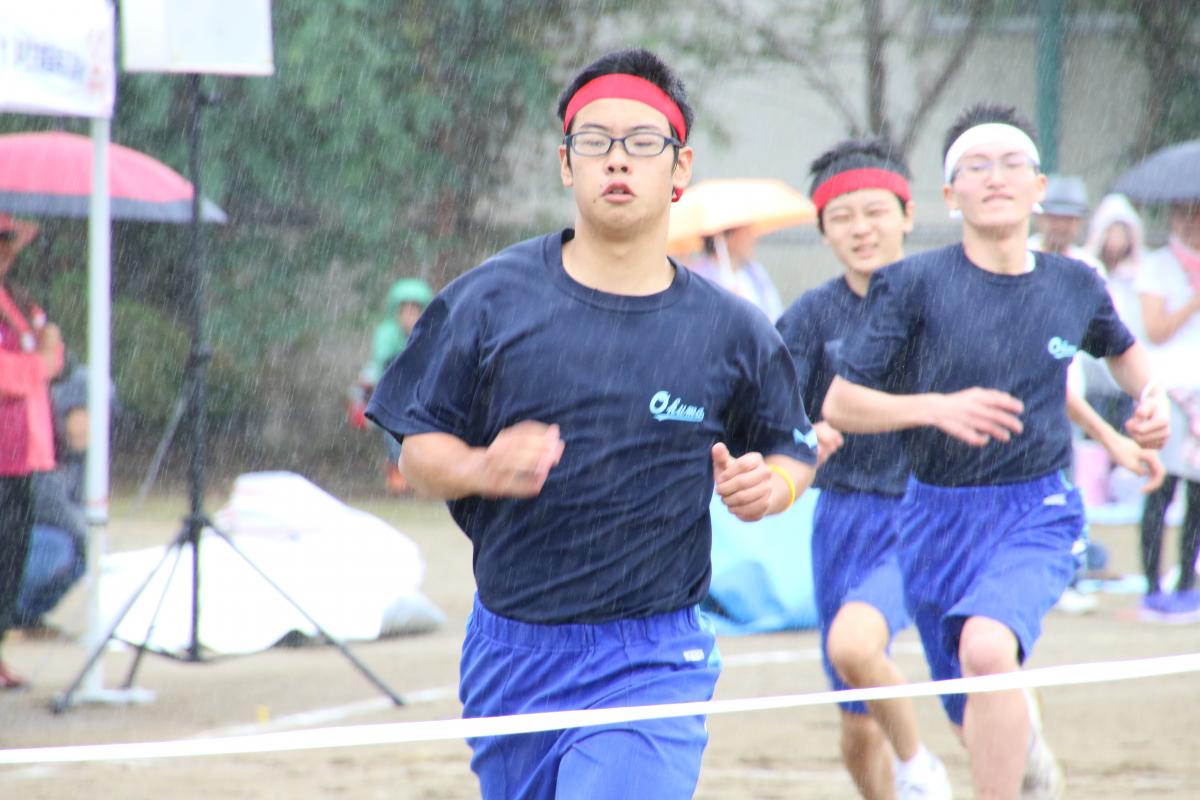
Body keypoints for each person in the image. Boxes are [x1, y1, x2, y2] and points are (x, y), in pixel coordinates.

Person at [365, 48, 817, 800]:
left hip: (653, 650)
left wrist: (772, 488)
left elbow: (791, 446)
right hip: (512, 647)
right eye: (594, 141)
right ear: (565, 164)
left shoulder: (732, 330)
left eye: (642, 142)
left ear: (679, 168)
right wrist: (482, 468)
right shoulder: (487, 302)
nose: (618, 159)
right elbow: (415, 450)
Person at [822, 104, 1169, 800]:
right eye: (974, 167)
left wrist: (1149, 405)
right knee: (970, 699)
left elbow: (1127, 357)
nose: (995, 178)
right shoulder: (913, 285)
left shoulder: (1073, 285)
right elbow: (840, 403)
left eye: (1012, 164)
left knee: (987, 648)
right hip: (933, 519)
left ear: (1039, 188)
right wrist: (934, 408)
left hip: (1036, 507)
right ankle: (1027, 756)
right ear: (950, 197)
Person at [776, 137, 952, 800]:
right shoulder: (810, 316)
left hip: (929, 511)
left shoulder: (946, 295)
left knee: (861, 649)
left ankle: (920, 769)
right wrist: (802, 435)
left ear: (907, 215)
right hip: (844, 516)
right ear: (822, 231)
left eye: (875, 211)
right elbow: (772, 411)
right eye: (842, 216)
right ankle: (890, 784)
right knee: (854, 709)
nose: (861, 228)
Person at [0, 214, 63, 689]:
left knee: (12, 555)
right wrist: (36, 364)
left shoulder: (17, 300)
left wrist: (42, 358)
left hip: (21, 455)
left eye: (9, 241)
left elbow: (49, 352)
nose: (7, 250)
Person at [1135, 200, 1200, 620]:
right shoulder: (1157, 266)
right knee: (1159, 491)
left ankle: (1186, 584)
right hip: (1168, 393)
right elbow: (1155, 331)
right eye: (1186, 214)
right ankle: (1152, 585)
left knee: (1197, 497)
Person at [15, 363, 90, 631]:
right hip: (23, 528)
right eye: (84, 413)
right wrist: (84, 533)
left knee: (81, 558)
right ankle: (10, 612)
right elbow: (47, 504)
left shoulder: (85, 458)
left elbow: (80, 504)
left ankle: (25, 619)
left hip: (49, 529)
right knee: (56, 547)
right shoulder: (44, 439)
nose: (89, 426)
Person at [348, 277, 433, 493]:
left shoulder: (432, 332)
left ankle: (424, 471)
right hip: (393, 387)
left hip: (423, 388)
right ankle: (396, 467)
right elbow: (384, 365)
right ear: (396, 311)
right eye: (406, 309)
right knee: (394, 421)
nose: (410, 315)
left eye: (416, 309)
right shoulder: (387, 333)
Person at [686, 226, 784, 320]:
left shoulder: (756, 274)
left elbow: (775, 316)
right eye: (746, 232)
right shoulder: (696, 280)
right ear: (729, 236)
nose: (753, 239)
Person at [1027, 175, 1103, 271]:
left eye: (1069, 219)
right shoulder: (1023, 257)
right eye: (1055, 218)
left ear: (1080, 222)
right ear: (1040, 218)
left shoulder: (1089, 267)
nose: (1061, 226)